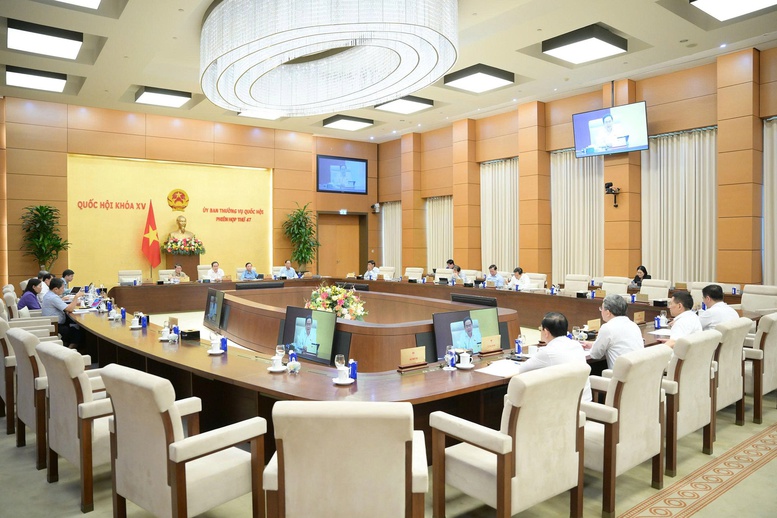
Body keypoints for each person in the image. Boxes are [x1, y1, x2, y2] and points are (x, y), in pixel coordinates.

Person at [519, 312, 592, 401]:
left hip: (565, 405)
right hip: (585, 402)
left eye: (540, 329)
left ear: (546, 332)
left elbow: (522, 370)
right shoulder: (576, 345)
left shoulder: (547, 352)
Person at [589, 294, 644, 369]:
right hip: (637, 372)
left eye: (601, 309)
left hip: (620, 375)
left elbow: (595, 355)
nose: (601, 311)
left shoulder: (607, 328)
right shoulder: (633, 325)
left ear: (608, 313)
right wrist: (594, 344)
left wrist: (595, 347)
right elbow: (620, 344)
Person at [41, 278, 84, 349]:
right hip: (55, 325)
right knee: (78, 333)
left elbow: (63, 306)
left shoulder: (49, 294)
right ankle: (69, 350)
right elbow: (70, 309)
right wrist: (76, 297)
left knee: (75, 324)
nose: (63, 290)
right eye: (62, 288)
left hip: (54, 322)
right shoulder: (53, 297)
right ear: (55, 289)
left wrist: (73, 303)